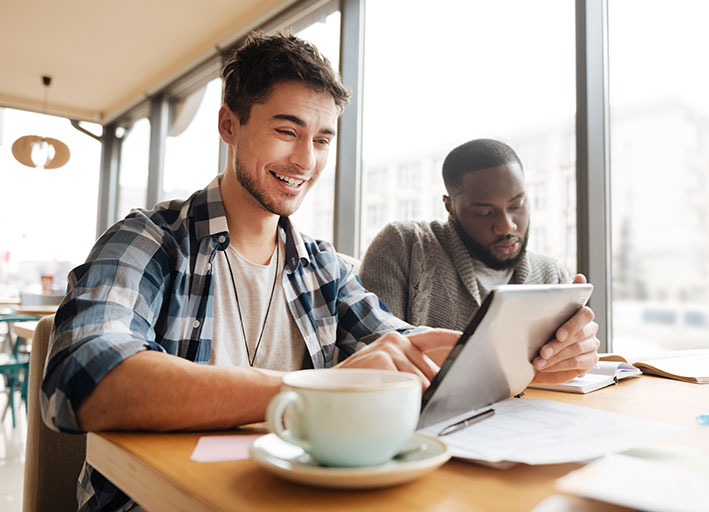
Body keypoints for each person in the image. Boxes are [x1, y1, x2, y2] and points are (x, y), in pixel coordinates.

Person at [41, 34, 595, 511]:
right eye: (287, 131)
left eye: (323, 139)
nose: (306, 160)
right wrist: (320, 388)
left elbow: (406, 351)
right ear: (228, 125)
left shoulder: (321, 267)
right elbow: (80, 377)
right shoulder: (151, 239)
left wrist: (534, 359)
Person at [360, 138, 599, 375]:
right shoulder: (404, 246)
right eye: (484, 212)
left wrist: (577, 351)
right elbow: (378, 361)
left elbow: (563, 366)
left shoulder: (550, 272)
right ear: (450, 206)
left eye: (517, 205)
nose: (507, 227)